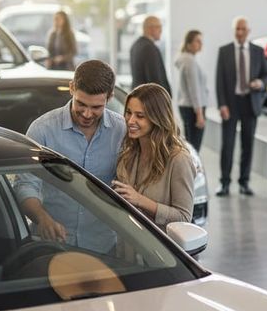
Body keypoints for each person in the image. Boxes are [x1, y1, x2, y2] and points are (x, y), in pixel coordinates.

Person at [15, 59, 125, 252]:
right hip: (52, 245)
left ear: (110, 97)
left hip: (105, 247)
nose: (87, 114)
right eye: (81, 104)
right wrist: (42, 218)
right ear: (72, 88)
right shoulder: (42, 130)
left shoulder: (121, 131)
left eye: (96, 107)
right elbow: (25, 184)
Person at [112, 83, 195, 227]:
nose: (130, 120)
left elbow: (184, 217)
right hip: (128, 245)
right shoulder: (128, 153)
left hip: (157, 247)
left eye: (140, 116)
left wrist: (140, 200)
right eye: (128, 112)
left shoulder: (179, 159)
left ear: (157, 118)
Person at [215, 15, 267, 197]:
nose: (239, 32)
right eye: (237, 29)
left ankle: (244, 183)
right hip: (231, 104)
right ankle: (224, 183)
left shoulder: (258, 51)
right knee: (227, 145)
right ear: (233, 31)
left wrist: (260, 83)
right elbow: (219, 81)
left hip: (250, 104)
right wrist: (221, 104)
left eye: (243, 29)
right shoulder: (224, 51)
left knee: (248, 145)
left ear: (248, 31)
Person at [175, 29, 208, 152]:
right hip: (194, 108)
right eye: (197, 41)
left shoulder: (185, 59)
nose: (201, 44)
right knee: (194, 148)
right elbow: (194, 89)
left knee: (190, 146)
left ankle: (190, 171)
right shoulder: (189, 61)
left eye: (201, 41)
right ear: (188, 43)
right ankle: (192, 171)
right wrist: (199, 114)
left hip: (187, 106)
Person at [130, 15, 170, 93]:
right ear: (150, 28)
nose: (161, 30)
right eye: (158, 27)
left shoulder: (135, 45)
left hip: (138, 95)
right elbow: (155, 80)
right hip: (149, 99)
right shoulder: (150, 48)